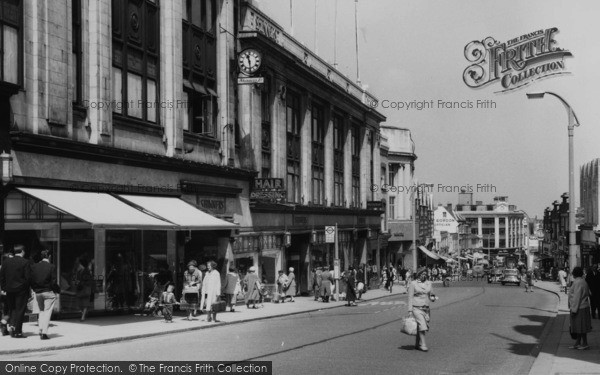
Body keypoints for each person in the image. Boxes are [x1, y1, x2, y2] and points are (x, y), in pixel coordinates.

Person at [0, 244, 31, 338]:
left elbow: (2, 277)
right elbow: (28, 278)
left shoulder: (6, 262)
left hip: (9, 290)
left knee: (12, 309)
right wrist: (26, 287)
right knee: (20, 310)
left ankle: (12, 326)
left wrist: (4, 287)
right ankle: (18, 331)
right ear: (22, 251)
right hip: (21, 290)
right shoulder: (25, 262)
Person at [407, 267, 437, 352]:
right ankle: (423, 344)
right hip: (416, 308)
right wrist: (410, 310)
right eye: (422, 274)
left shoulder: (429, 283)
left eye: (425, 274)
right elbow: (410, 297)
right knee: (422, 325)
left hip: (426, 309)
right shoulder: (413, 284)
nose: (424, 276)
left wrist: (433, 298)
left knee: (423, 326)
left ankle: (417, 344)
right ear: (418, 275)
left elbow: (432, 294)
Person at [31, 250, 58, 340]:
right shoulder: (51, 267)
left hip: (38, 292)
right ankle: (44, 333)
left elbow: (31, 280)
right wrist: (58, 290)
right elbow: (53, 282)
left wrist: (35, 289)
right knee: (47, 312)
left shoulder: (34, 266)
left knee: (41, 311)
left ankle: (40, 329)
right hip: (48, 292)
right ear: (49, 256)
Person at [568, 266, 592, 350]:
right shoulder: (582, 281)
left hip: (579, 307)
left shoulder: (577, 282)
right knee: (580, 326)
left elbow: (576, 297)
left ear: (574, 274)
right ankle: (578, 343)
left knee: (581, 326)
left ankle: (585, 343)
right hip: (583, 306)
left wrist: (573, 309)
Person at [75, 257, 95, 321]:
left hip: (85, 288)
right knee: (81, 303)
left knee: (85, 303)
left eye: (79, 264)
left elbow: (88, 280)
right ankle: (84, 313)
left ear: (82, 264)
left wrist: (81, 283)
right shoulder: (80, 271)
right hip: (82, 288)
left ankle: (83, 316)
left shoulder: (86, 271)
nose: (78, 265)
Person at [0, 248, 14, 336]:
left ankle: (4, 329)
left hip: (3, 292)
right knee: (11, 310)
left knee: (4, 310)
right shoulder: (6, 269)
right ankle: (4, 322)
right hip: (5, 292)